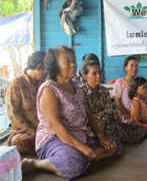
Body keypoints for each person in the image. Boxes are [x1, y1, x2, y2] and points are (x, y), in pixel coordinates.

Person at [21, 46, 122, 180]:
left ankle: (86, 158)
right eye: (67, 61)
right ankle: (36, 164)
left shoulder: (75, 87)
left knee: (115, 144)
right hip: (54, 139)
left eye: (73, 60)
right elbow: (55, 125)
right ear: (55, 65)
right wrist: (83, 148)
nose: (74, 64)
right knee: (74, 164)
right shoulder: (49, 89)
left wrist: (101, 136)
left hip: (80, 135)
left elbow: (89, 114)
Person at [81, 60, 147, 143]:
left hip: (107, 122)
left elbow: (108, 110)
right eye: (94, 73)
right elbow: (86, 115)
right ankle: (111, 139)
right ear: (85, 76)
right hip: (92, 126)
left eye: (100, 72)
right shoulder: (81, 93)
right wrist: (102, 120)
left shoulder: (104, 90)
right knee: (113, 129)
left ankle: (114, 139)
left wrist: (103, 121)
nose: (99, 76)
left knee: (140, 128)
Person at [6, 51, 47, 154]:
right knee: (23, 142)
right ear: (39, 67)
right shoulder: (16, 84)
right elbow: (13, 114)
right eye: (46, 72)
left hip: (43, 130)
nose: (47, 75)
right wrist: (33, 132)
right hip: (23, 132)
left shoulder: (43, 85)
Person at [112, 56, 147, 123]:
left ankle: (145, 126)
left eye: (136, 66)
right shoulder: (119, 83)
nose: (134, 68)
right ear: (125, 68)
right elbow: (117, 101)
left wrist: (143, 111)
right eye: (131, 65)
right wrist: (125, 112)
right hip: (126, 113)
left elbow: (145, 99)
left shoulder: (141, 82)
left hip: (141, 112)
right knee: (128, 121)